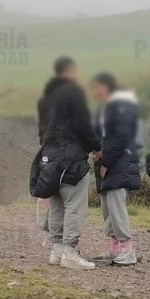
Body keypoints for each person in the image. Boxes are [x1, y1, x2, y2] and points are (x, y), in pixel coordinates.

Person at [35, 56, 101, 270]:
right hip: (71, 156)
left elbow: (41, 130)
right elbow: (82, 124)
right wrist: (96, 146)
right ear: (71, 70)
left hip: (49, 155)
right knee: (74, 204)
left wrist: (47, 149)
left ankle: (57, 251)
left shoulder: (45, 98)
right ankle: (71, 254)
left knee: (57, 202)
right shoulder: (73, 92)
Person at [89, 72, 142, 266]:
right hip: (109, 163)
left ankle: (128, 248)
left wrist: (106, 161)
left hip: (119, 163)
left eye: (96, 87)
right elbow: (100, 135)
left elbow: (121, 137)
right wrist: (96, 150)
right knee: (107, 207)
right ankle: (114, 247)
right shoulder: (104, 108)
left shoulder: (120, 105)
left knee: (116, 206)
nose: (94, 92)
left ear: (106, 86)